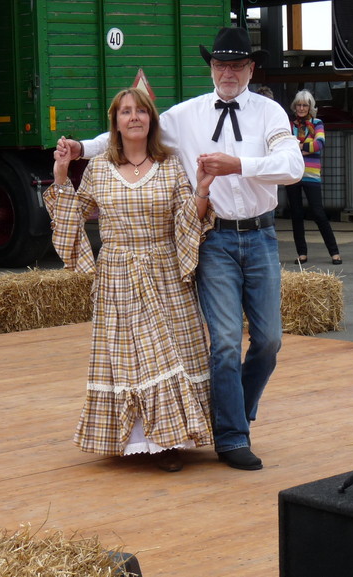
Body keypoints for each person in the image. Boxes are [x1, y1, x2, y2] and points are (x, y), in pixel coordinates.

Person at [73, 27, 304, 470]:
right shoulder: (187, 115)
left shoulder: (270, 112)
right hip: (213, 238)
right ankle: (232, 436)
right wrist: (82, 147)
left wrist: (238, 164)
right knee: (222, 342)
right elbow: (134, 129)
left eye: (237, 65)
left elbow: (293, 166)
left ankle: (233, 411)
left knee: (270, 341)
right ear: (211, 68)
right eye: (221, 65)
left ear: (250, 69)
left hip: (260, 235)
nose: (228, 73)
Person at [45, 88, 215, 473]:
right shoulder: (99, 168)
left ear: (152, 119)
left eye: (141, 111)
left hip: (165, 270)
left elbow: (188, 220)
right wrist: (60, 175)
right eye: (125, 112)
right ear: (115, 122)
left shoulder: (171, 165)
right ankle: (138, 439)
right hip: (118, 274)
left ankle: (170, 440)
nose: (134, 117)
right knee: (130, 360)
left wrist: (202, 188)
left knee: (168, 352)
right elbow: (73, 217)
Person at [286, 89, 340, 266]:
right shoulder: (290, 124)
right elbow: (286, 144)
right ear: (295, 107)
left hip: (311, 174)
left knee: (318, 213)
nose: (301, 108)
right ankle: (302, 253)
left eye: (305, 105)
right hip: (293, 173)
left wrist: (299, 146)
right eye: (299, 105)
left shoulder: (317, 123)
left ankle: (334, 252)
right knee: (296, 214)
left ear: (310, 107)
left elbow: (320, 143)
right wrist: (303, 147)